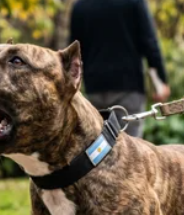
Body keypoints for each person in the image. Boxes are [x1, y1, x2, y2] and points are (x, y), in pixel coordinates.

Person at [69, 0, 171, 138]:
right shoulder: (135, 2)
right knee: (132, 147)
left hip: (95, 88)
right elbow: (150, 43)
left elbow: (74, 52)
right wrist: (161, 81)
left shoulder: (80, 6)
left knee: (99, 145)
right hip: (129, 87)